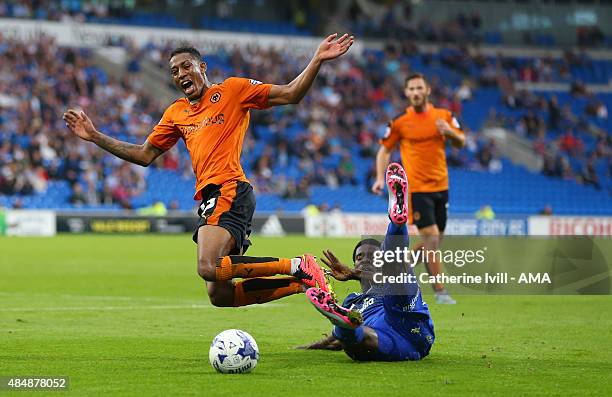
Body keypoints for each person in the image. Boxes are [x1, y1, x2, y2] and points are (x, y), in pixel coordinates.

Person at [62, 33, 355, 307]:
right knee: (220, 293)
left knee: (208, 266)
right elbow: (144, 154)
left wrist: (316, 60)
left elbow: (291, 94)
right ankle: (304, 284)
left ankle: (299, 265)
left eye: (185, 66)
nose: (180, 74)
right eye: (174, 71)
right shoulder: (176, 112)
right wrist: (96, 136)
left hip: (229, 188)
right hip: (211, 196)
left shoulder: (232, 90)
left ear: (202, 67)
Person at [300, 163, 435, 361]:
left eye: (372, 256)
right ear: (354, 263)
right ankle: (343, 322)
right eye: (359, 257)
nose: (365, 260)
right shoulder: (352, 301)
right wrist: (314, 346)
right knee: (355, 342)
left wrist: (355, 274)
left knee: (396, 271)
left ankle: (397, 223)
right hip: (387, 341)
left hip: (407, 316)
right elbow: (336, 342)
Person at [371, 73, 465, 304]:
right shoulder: (400, 121)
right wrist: (380, 178)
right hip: (417, 189)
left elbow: (461, 141)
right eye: (411, 89)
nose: (415, 92)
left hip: (441, 187)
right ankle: (440, 290)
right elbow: (384, 150)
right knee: (432, 238)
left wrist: (449, 132)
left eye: (419, 88)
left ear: (427, 90)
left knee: (434, 242)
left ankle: (395, 270)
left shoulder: (444, 116)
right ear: (406, 93)